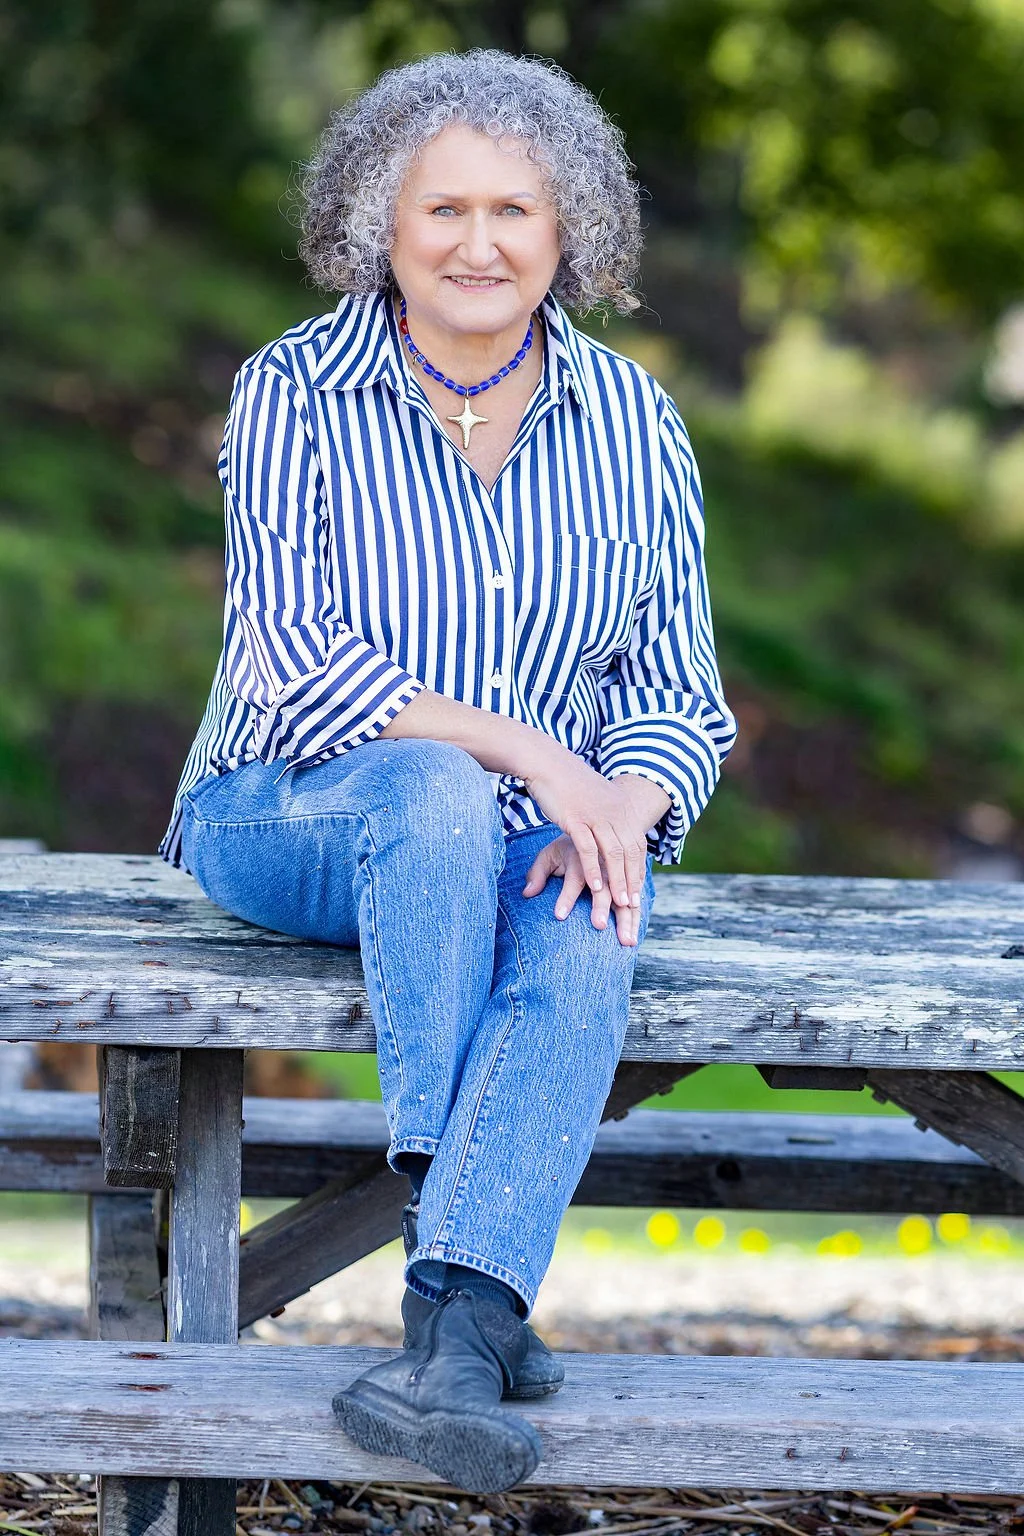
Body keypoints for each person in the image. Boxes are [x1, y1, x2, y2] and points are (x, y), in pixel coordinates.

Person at [159, 47, 737, 1493]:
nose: (480, 244)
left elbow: (678, 691)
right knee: (429, 785)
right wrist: (537, 751)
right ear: (383, 222)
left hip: (518, 836)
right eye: (445, 209)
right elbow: (294, 663)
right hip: (288, 813)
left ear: (568, 228)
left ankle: (458, 1331)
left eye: (514, 211)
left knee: (591, 910)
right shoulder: (295, 392)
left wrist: (622, 805)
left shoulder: (635, 423)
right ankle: (451, 1233)